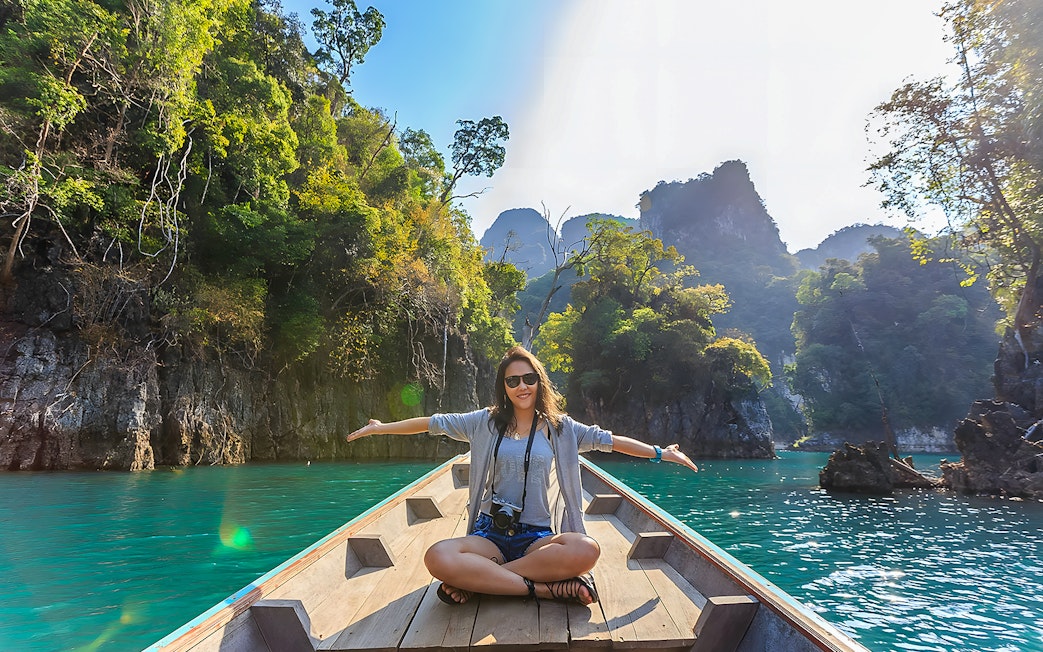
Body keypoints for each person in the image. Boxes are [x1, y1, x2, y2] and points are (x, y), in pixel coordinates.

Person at [346, 345, 699, 606]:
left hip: (536, 538)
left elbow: (610, 441)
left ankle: (483, 581)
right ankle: (542, 588)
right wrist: (380, 428)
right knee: (437, 556)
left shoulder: (562, 429)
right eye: (512, 380)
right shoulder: (483, 422)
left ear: (538, 381)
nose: (521, 386)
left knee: (585, 549)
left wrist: (660, 453)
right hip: (490, 534)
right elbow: (431, 423)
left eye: (528, 378)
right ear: (505, 386)